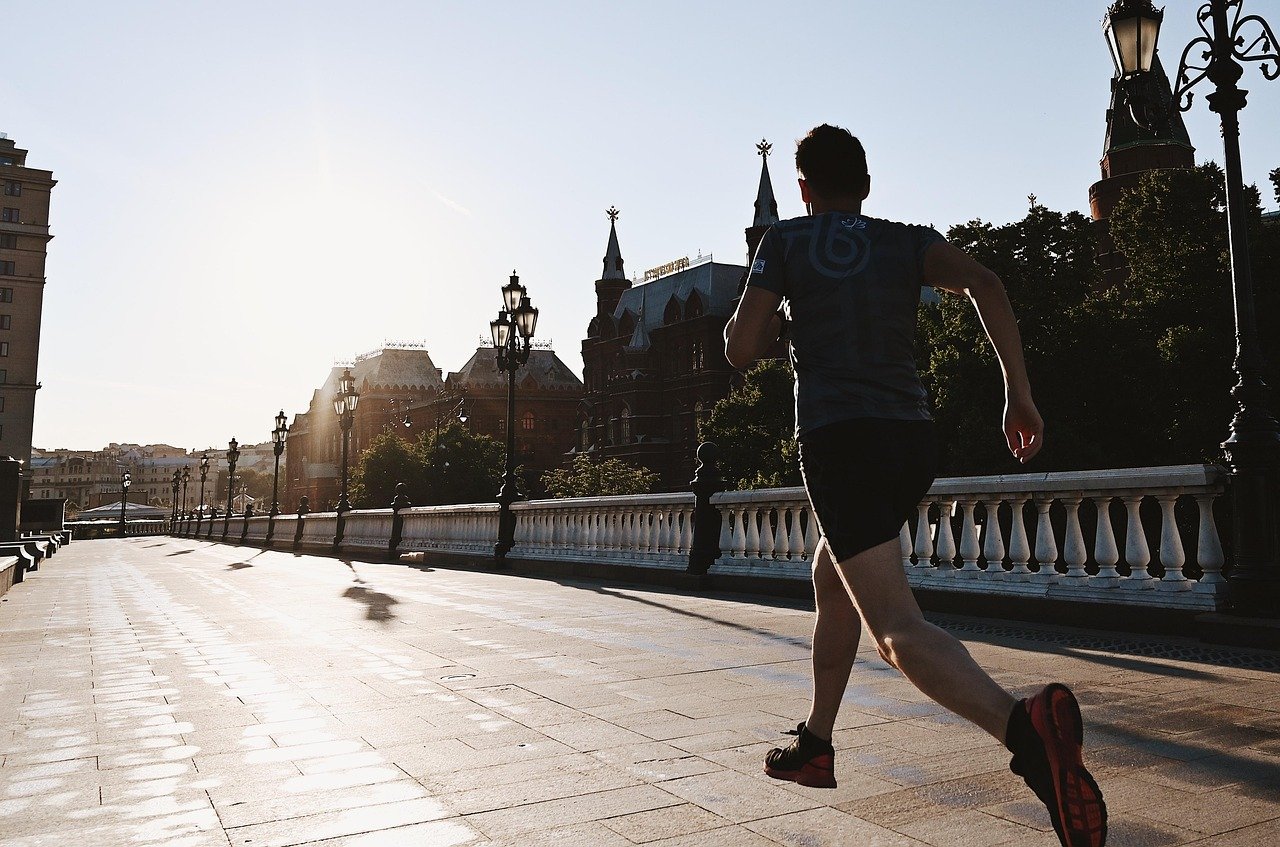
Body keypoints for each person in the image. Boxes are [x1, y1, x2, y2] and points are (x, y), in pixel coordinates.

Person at [724, 124, 1106, 847]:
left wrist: (781, 327)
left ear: (802, 190)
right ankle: (817, 741)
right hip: (910, 439)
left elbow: (740, 349)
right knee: (833, 575)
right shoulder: (906, 240)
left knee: (895, 630)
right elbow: (987, 283)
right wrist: (1017, 394)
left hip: (841, 440)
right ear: (865, 186)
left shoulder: (787, 241)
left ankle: (1027, 734)